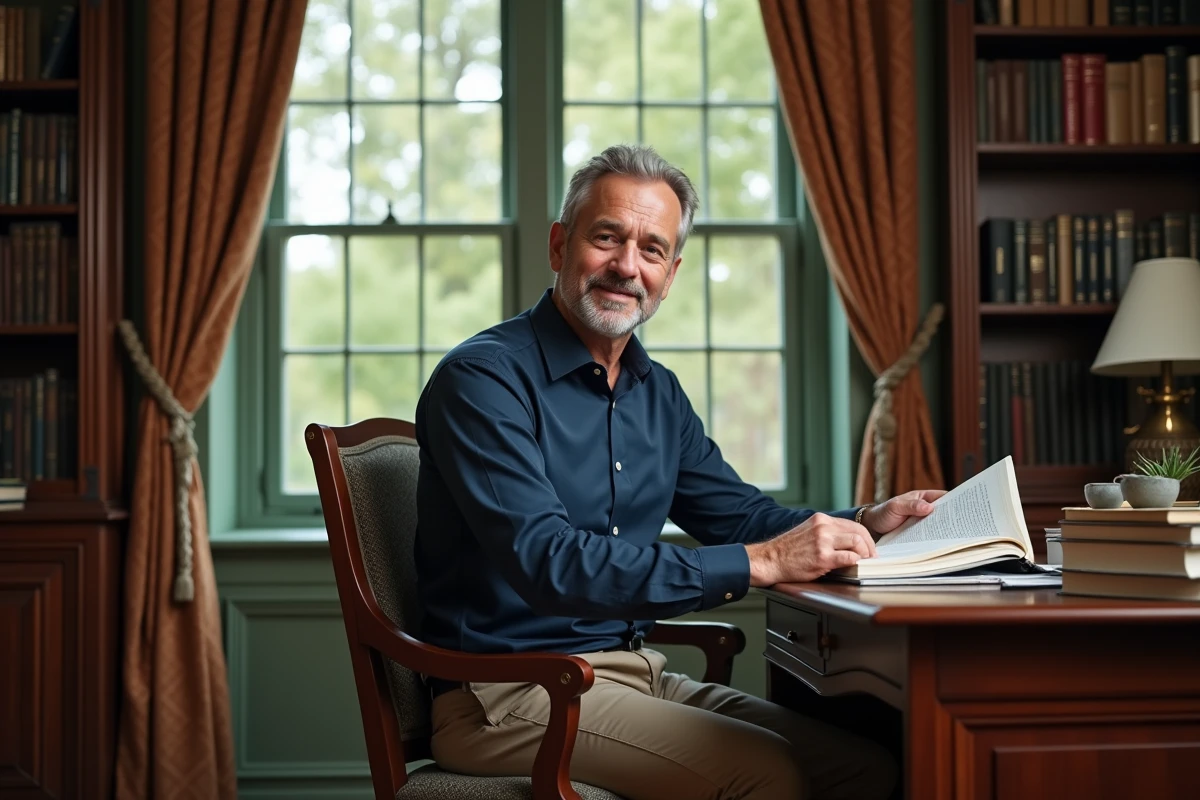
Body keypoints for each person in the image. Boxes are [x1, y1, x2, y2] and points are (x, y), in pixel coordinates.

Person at [414, 144, 943, 800]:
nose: (626, 267)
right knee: (767, 777)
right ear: (559, 245)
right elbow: (549, 562)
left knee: (870, 768)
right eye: (606, 238)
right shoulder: (483, 380)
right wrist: (760, 562)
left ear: (671, 271)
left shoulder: (656, 392)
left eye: (652, 249)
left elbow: (742, 517)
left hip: (634, 675)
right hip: (506, 695)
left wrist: (863, 521)